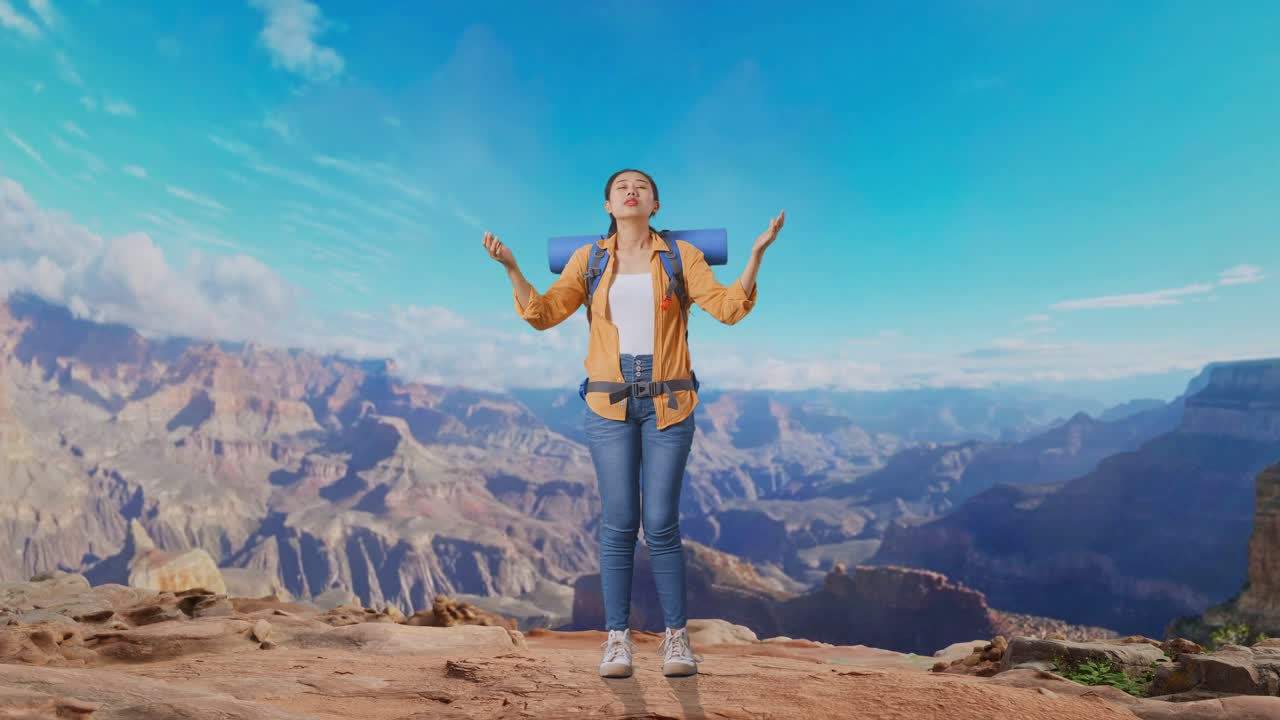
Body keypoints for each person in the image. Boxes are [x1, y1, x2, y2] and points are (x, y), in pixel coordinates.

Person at [482, 168, 784, 678]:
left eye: (640, 187)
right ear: (607, 205)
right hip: (608, 404)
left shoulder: (682, 257)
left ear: (655, 205)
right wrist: (511, 267)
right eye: (621, 187)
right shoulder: (590, 259)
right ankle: (617, 640)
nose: (630, 191)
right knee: (619, 525)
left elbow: (728, 309)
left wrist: (756, 255)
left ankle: (677, 641)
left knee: (662, 524)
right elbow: (542, 313)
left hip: (669, 403)